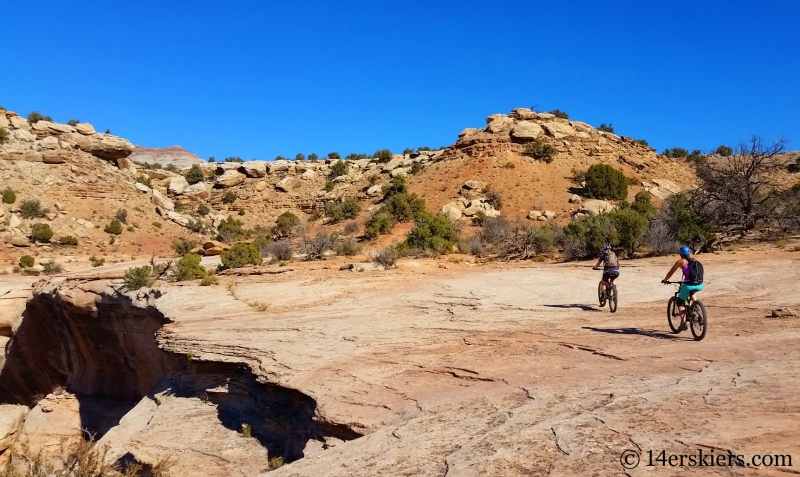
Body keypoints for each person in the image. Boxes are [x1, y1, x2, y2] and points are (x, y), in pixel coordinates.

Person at [661, 245, 704, 329]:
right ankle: (696, 308)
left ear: (680, 254)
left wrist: (665, 280)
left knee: (680, 302)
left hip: (688, 285)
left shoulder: (681, 261)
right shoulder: (695, 261)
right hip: (699, 285)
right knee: (692, 292)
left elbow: (670, 273)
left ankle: (683, 323)